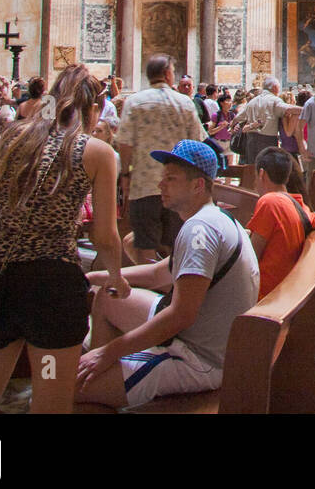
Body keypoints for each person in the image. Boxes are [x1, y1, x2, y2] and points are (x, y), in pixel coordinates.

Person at [0, 65, 128, 413]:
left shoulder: (11, 138)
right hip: (52, 294)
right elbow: (104, 235)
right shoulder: (95, 151)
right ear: (94, 108)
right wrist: (116, 276)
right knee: (49, 400)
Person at [76, 139, 259, 409]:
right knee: (107, 297)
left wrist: (108, 352)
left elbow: (180, 316)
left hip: (198, 358)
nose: (161, 185)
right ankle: (100, 375)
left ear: (198, 185)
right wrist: (98, 277)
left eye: (170, 179)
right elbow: (157, 273)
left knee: (65, 387)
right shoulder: (212, 218)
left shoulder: (200, 230)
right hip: (208, 339)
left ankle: (96, 377)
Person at [114, 55, 207, 265]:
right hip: (179, 186)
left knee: (145, 244)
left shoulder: (134, 102)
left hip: (144, 186)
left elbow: (125, 144)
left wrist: (126, 175)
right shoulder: (184, 103)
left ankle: (151, 291)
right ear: (167, 74)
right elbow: (196, 143)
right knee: (177, 243)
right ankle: (175, 290)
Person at [246, 147, 315, 300]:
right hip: (285, 291)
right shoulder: (298, 205)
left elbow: (250, 258)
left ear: (261, 174)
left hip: (263, 296)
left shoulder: (269, 202)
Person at [232, 77, 299, 166]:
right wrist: (307, 109)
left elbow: (237, 117)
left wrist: (232, 127)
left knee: (253, 168)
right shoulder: (274, 100)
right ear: (275, 87)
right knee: (268, 169)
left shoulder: (252, 102)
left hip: (251, 140)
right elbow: (289, 109)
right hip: (268, 140)